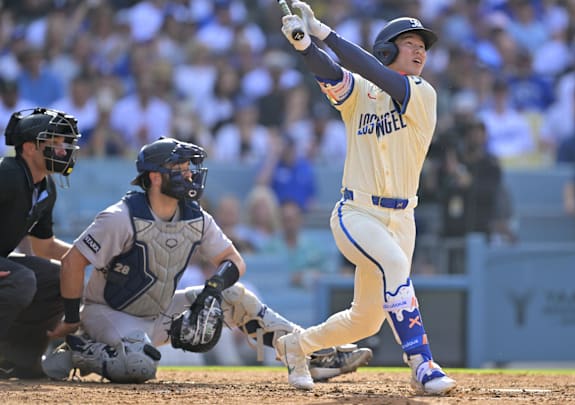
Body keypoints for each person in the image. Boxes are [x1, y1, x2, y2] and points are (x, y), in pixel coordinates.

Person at [42, 137, 371, 383]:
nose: (189, 175)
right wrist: (73, 318)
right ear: (155, 177)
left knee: (236, 296)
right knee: (140, 366)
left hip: (158, 312)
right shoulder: (120, 216)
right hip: (108, 313)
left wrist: (213, 288)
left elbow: (234, 261)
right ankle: (83, 350)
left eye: (189, 168)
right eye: (180, 169)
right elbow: (73, 262)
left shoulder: (195, 216)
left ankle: (311, 353)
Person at [277, 1, 456, 394]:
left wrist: (322, 33)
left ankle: (295, 345)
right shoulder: (360, 94)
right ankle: (422, 364)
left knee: (366, 321)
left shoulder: (423, 93)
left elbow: (370, 70)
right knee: (394, 264)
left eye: (423, 45)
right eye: (409, 43)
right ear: (388, 50)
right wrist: (305, 46)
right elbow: (334, 72)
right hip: (356, 213)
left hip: (403, 218)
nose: (420, 50)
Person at [0, 107, 81, 378]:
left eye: (64, 143)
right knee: (22, 279)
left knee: (58, 276)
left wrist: (89, 257)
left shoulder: (46, 187)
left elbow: (45, 248)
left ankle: (20, 360)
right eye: (54, 142)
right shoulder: (6, 174)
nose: (63, 149)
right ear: (29, 148)